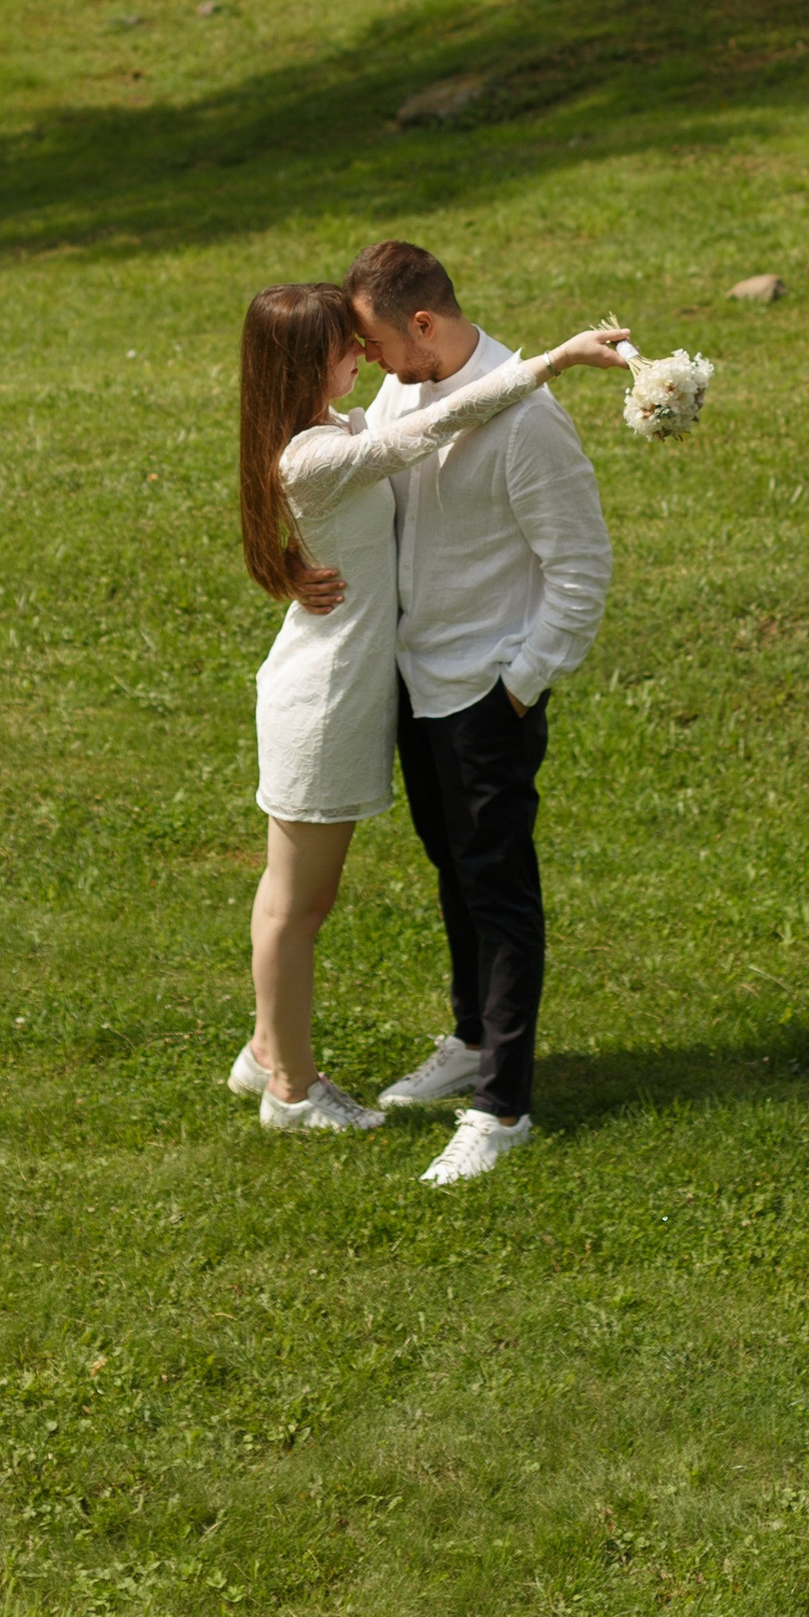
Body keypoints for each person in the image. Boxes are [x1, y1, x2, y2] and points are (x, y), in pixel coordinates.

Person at [230, 282, 632, 1139]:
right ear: (312, 363)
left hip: (361, 685)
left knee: (296, 896)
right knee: (297, 905)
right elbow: (434, 427)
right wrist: (553, 360)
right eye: (350, 345)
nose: (365, 356)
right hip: (327, 699)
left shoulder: (331, 432)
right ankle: (290, 1090)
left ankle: (268, 1046)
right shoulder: (318, 452)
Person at [345, 240, 615, 1185]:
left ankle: (503, 1103)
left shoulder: (529, 422)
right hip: (416, 682)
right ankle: (469, 1037)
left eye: (377, 342)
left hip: (484, 691)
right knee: (451, 869)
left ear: (424, 323)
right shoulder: (401, 391)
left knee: (498, 889)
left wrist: (521, 683)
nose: (369, 361)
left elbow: (580, 569)